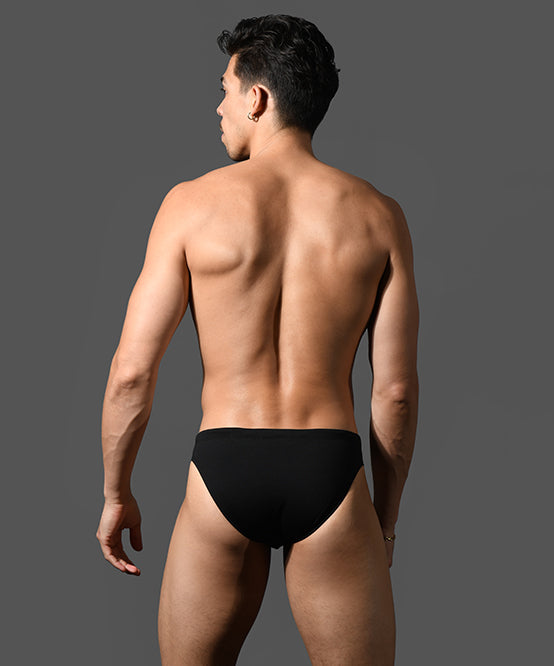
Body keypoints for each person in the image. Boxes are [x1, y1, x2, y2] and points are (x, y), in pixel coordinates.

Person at [96, 14, 419, 666]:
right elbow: (395, 393)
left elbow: (132, 371)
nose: (218, 108)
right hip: (330, 468)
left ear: (258, 97)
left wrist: (116, 492)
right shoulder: (379, 216)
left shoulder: (189, 206)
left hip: (225, 464)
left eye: (224, 90)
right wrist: (383, 520)